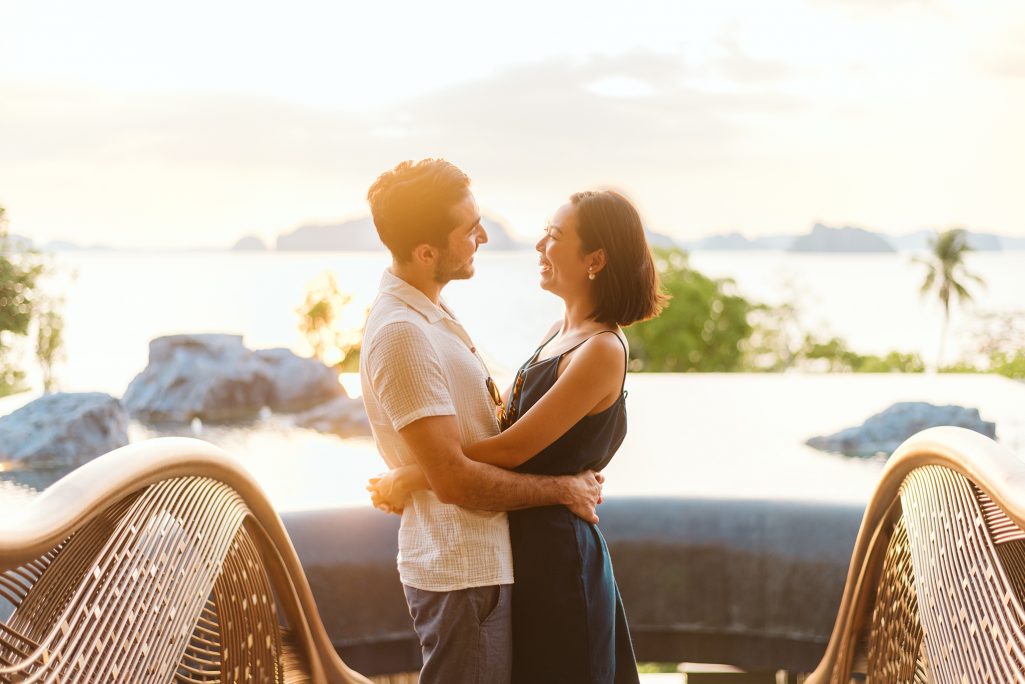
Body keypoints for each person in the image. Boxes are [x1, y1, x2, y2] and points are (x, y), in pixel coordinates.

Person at [373, 188, 665, 683]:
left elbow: (511, 448)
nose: (538, 245)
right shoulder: (558, 331)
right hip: (523, 547)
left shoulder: (601, 350)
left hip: (559, 556)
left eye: (554, 235)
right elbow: (501, 414)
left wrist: (418, 473)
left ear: (594, 259)